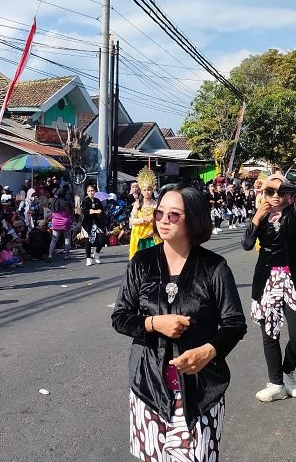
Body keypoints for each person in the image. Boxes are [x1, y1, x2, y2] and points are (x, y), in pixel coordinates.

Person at [112, 183, 246, 460]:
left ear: (193, 219)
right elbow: (121, 316)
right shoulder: (142, 262)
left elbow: (234, 323)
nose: (163, 220)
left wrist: (208, 351)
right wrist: (152, 323)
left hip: (200, 393)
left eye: (173, 215)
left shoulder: (214, 267)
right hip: (148, 387)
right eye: (159, 213)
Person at [241, 174, 296, 402]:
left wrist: (270, 182)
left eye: (281, 191)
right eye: (270, 192)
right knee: (270, 334)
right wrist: (257, 217)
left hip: (293, 278)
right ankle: (276, 383)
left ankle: (287, 372)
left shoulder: (294, 213)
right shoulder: (260, 216)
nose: (275, 196)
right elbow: (247, 245)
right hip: (267, 280)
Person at [129, 167, 160, 259]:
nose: (147, 192)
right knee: (141, 259)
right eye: (144, 190)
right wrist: (143, 219)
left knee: (154, 259)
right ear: (141, 191)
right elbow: (132, 220)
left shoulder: (156, 205)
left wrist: (154, 230)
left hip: (153, 236)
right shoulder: (137, 204)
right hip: (139, 236)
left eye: (149, 189)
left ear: (152, 190)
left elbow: (161, 221)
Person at [46, 184, 73, 263]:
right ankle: (67, 255)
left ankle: (50, 255)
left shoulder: (54, 202)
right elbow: (71, 213)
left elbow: (51, 213)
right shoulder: (67, 202)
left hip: (55, 223)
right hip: (65, 223)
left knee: (54, 239)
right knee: (67, 238)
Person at [80, 184, 106, 266]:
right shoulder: (85, 201)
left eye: (92, 191)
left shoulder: (97, 200)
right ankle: (88, 258)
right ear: (87, 192)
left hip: (97, 222)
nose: (91, 192)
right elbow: (84, 211)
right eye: (89, 191)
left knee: (102, 240)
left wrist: (99, 212)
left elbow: (102, 211)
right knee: (88, 241)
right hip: (88, 223)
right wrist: (93, 211)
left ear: (95, 191)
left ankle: (97, 253)